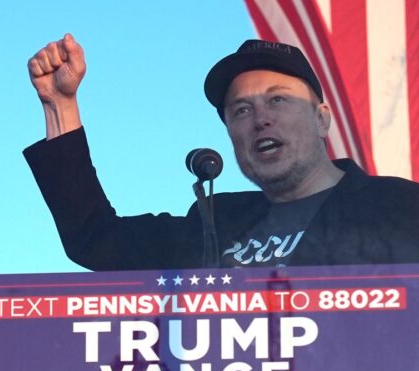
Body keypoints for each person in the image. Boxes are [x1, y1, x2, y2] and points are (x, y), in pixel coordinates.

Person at [24, 34, 419, 271]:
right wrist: (60, 105)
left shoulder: (400, 208)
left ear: (321, 120)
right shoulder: (214, 223)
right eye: (241, 110)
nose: (260, 119)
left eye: (278, 100)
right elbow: (95, 240)